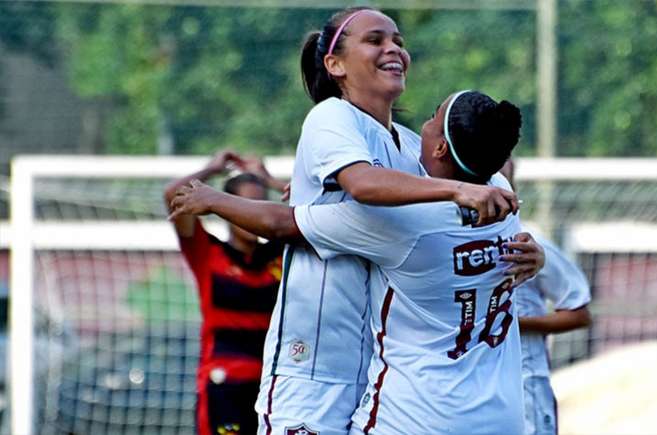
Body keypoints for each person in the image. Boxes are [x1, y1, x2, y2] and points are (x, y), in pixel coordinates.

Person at [181, 7, 529, 434]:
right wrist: (460, 192)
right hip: (313, 366)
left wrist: (533, 254)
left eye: (398, 40)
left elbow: (468, 179)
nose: (393, 49)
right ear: (335, 64)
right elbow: (362, 185)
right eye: (376, 40)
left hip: (372, 372)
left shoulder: (406, 146)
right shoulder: (333, 116)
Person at [163, 151, 285, 435]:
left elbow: (316, 212)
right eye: (241, 205)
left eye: (257, 205)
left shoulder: (280, 253)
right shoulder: (208, 253)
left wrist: (272, 182)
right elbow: (172, 195)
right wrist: (212, 169)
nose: (250, 213)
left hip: (273, 387)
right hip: (224, 387)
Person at [499, 160, 593, 435]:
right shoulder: (455, 237)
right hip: (482, 391)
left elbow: (579, 312)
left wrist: (519, 324)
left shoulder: (529, 241)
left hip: (527, 383)